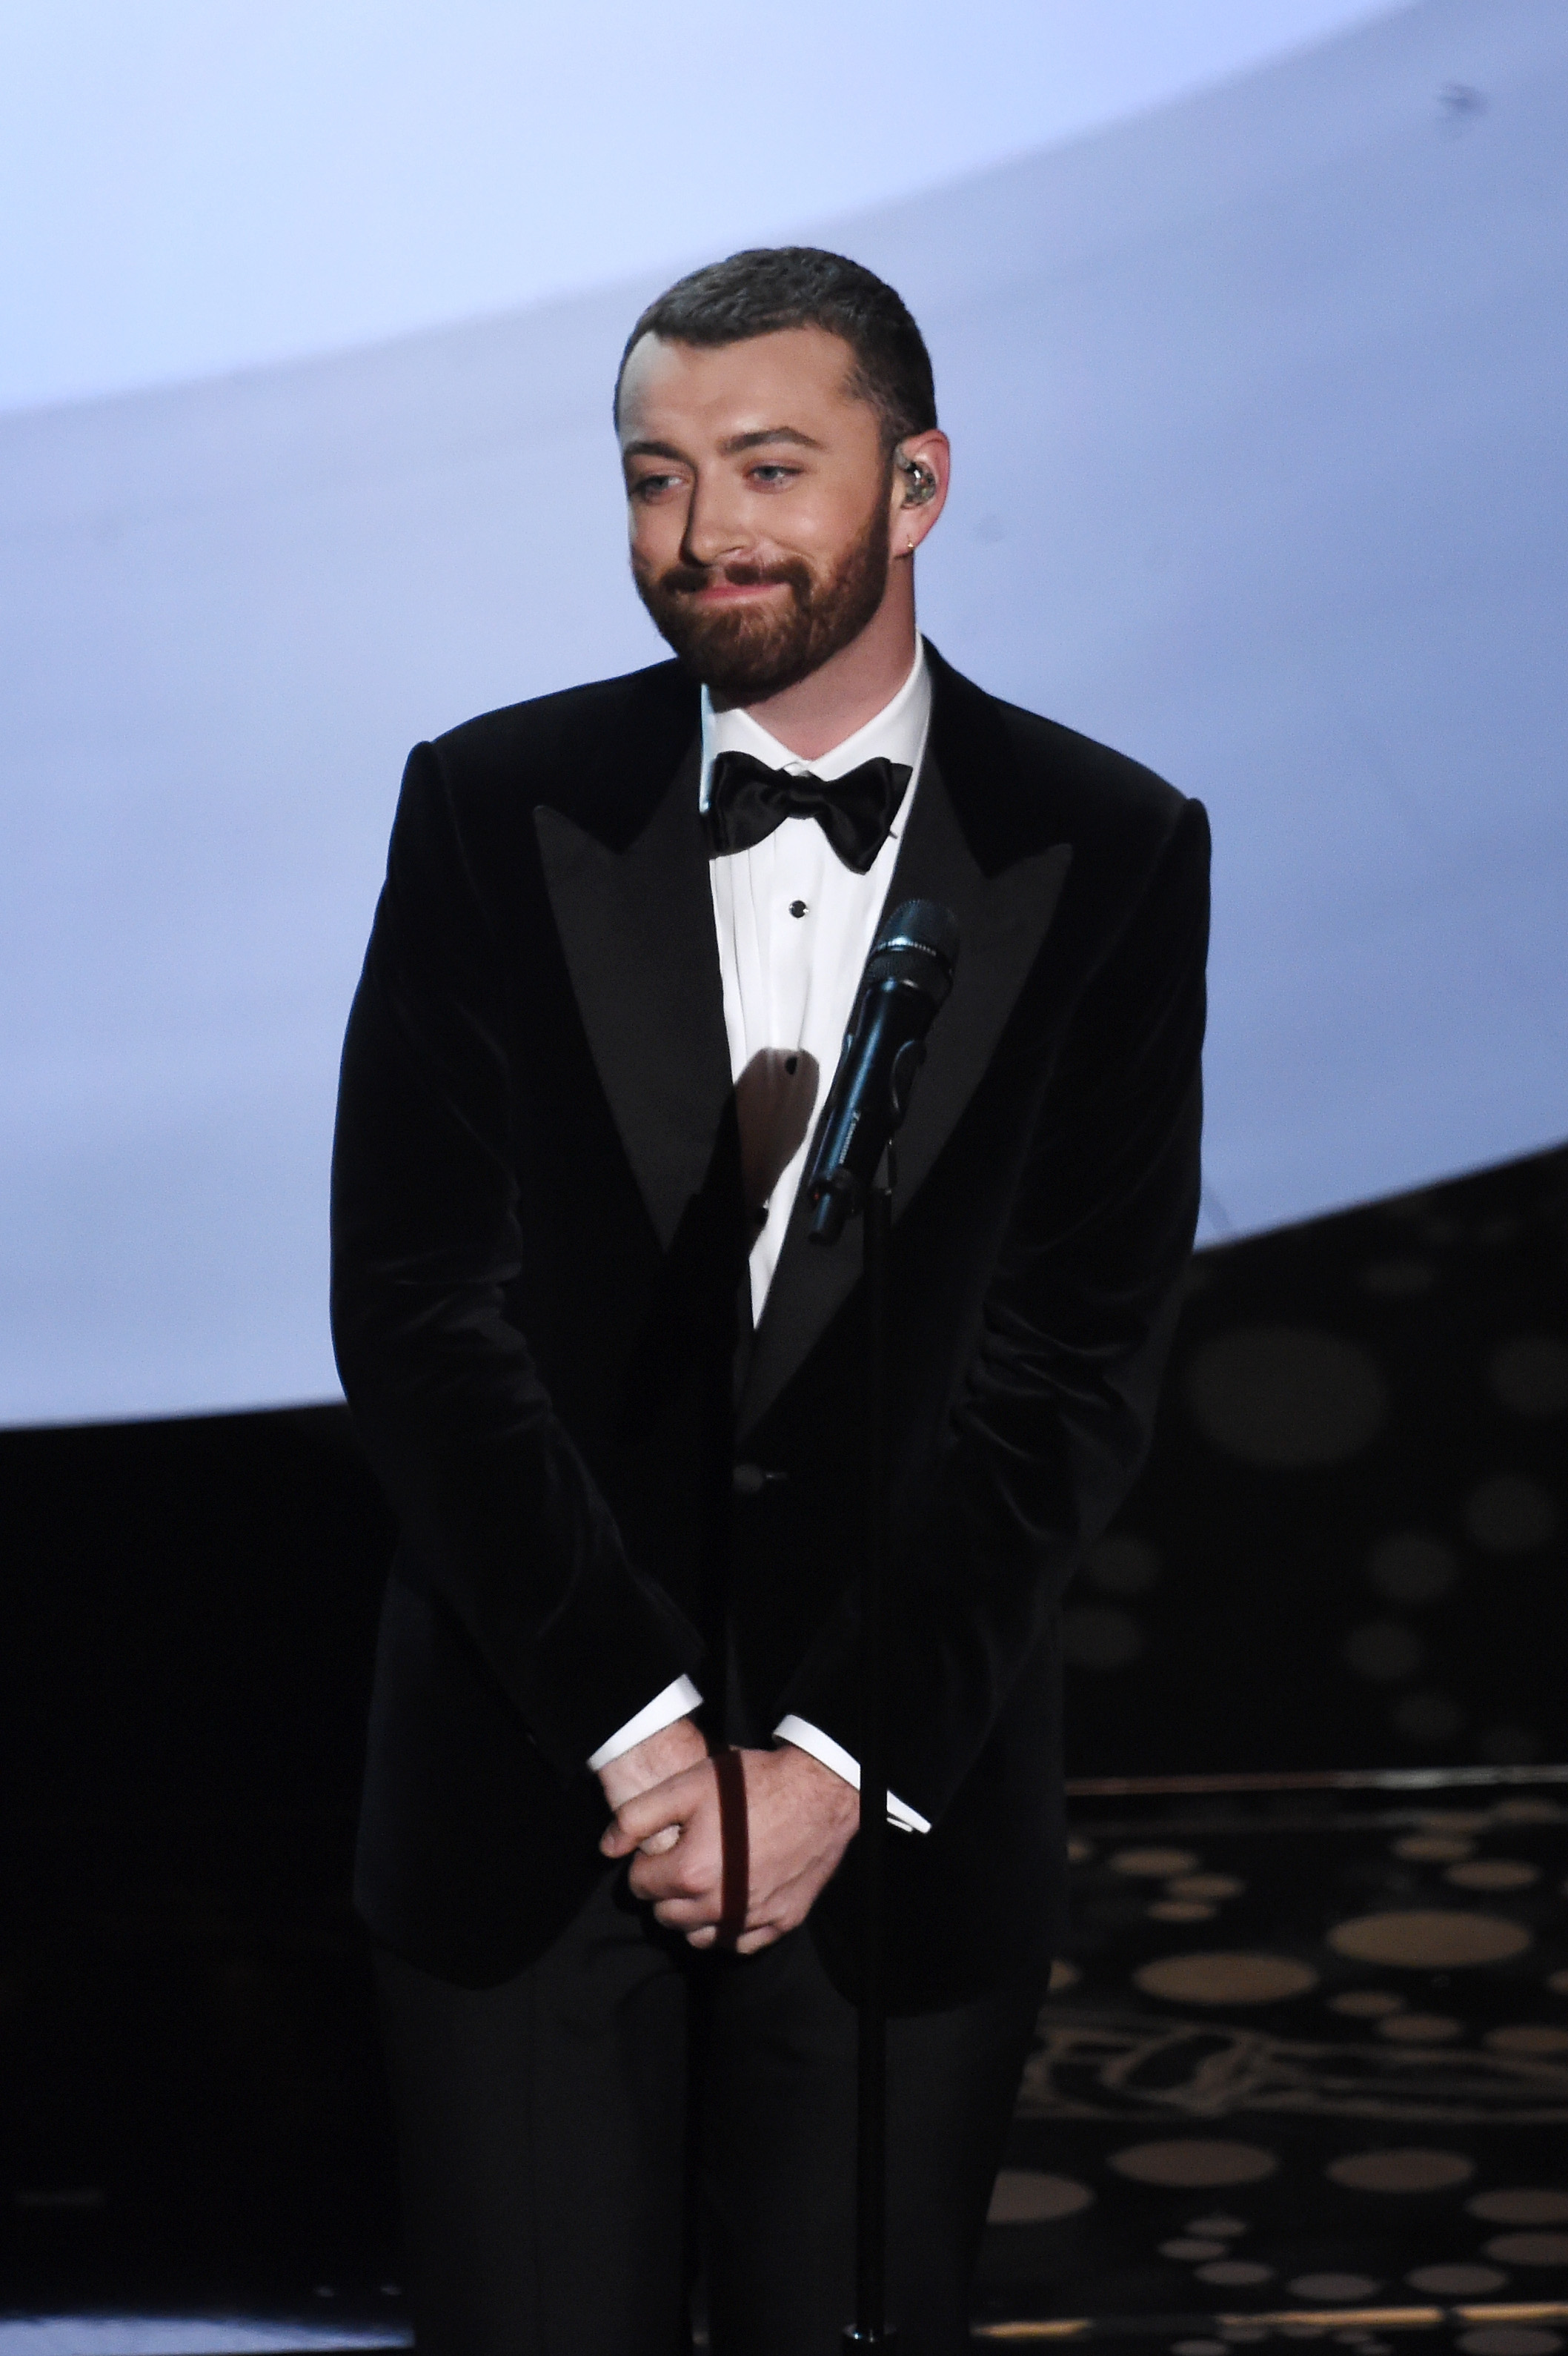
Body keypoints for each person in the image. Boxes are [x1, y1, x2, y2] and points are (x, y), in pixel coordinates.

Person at [330, 245, 1209, 2356]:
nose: (703, 528)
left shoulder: (1108, 842)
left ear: (916, 484)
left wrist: (828, 1755)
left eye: (767, 465)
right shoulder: (491, 803)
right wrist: (644, 1737)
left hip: (894, 1812)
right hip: (532, 1791)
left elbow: (1071, 1361)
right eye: (657, 475)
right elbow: (421, 1304)